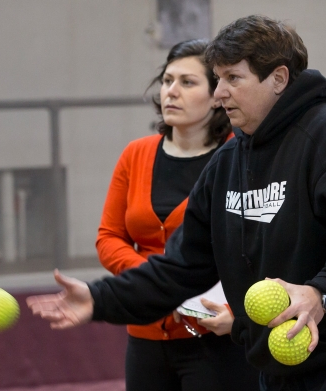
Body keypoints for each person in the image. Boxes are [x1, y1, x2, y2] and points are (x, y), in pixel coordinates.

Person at [27, 15, 326, 391]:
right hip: (279, 359)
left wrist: (320, 293)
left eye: (233, 78)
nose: (219, 94)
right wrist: (100, 299)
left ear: (278, 78)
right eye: (217, 79)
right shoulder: (228, 164)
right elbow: (181, 266)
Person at [98, 39, 260, 391]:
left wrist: (239, 314)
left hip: (219, 334)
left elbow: (258, 245)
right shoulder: (135, 154)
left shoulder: (241, 156)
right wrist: (159, 286)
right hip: (146, 334)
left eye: (187, 82)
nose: (172, 91)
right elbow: (108, 238)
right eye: (167, 81)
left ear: (216, 94)